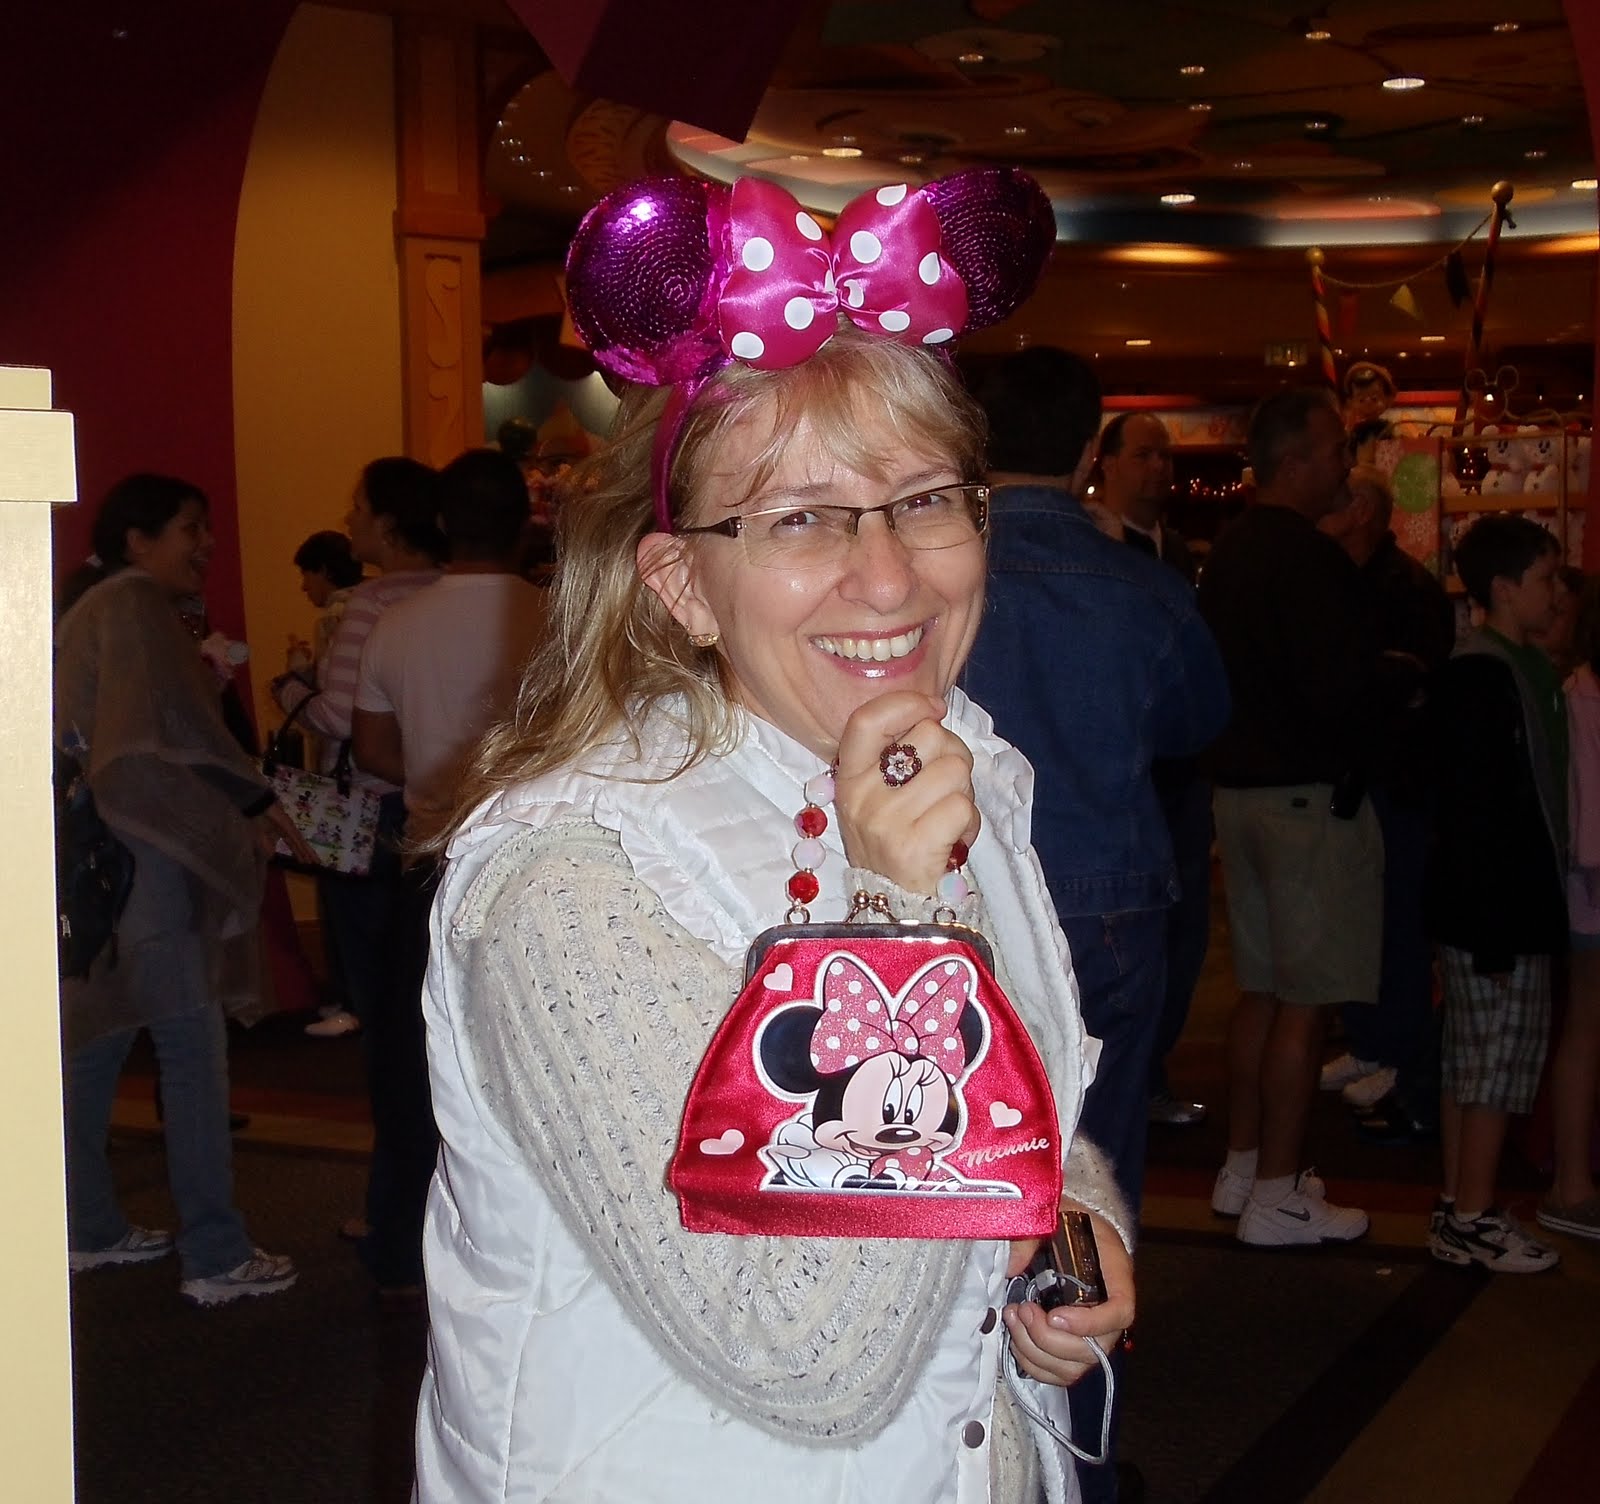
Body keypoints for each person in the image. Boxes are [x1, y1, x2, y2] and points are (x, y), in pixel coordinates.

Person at [413, 170, 1135, 1503]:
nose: (890, 575)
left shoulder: (959, 766)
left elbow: (1024, 1096)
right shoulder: (571, 880)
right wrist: (902, 930)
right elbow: (805, 1358)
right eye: (802, 519)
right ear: (683, 584)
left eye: (926, 499)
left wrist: (1067, 1218)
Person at [961, 353, 1225, 1504]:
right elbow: (1200, 719)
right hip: (1109, 899)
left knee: (956, 1156)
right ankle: (1081, 1454)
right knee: (1092, 1183)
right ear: (1086, 453)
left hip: (963, 895)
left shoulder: (932, 575)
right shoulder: (1139, 588)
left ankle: (977, 1431)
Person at [55, 473, 311, 1305]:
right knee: (191, 1051)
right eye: (189, 528)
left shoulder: (95, 604)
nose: (205, 544)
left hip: (103, 868)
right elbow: (159, 745)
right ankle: (214, 1253)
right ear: (139, 539)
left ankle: (87, 1224)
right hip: (147, 867)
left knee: (99, 1038)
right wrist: (243, 812)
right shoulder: (133, 605)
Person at [347, 448, 546, 1301]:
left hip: (432, 862)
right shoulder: (559, 616)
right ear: (524, 523)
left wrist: (445, 773)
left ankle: (400, 1246)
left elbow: (372, 751)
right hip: (540, 867)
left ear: (440, 523)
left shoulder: (396, 624)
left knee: (414, 1064)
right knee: (530, 1069)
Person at [1197, 386, 1381, 1247]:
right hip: (1307, 802)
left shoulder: (1231, 551)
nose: (1347, 462)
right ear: (1296, 460)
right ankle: (1276, 1190)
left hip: (1237, 796)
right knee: (1304, 1003)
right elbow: (1340, 689)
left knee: (1262, 991)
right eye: (1337, 447)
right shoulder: (1307, 558)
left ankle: (1242, 1167)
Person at [1425, 514, 1565, 1273]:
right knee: (1494, 1068)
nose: (1558, 593)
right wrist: (1494, 928)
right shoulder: (1484, 674)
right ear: (1505, 590)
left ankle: (1461, 1204)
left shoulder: (1513, 666)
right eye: (1546, 579)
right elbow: (1480, 811)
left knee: (1474, 1062)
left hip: (1492, 907)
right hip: (1497, 911)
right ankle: (1472, 1215)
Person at [272, 459, 444, 1041]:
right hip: (441, 796)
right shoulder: (450, 590)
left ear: (389, 525)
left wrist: (288, 690)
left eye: (360, 507)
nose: (350, 519)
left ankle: (383, 1063)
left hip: (370, 803)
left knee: (371, 958)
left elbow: (338, 715)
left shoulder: (370, 603)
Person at [1316, 466, 1456, 1140]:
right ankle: (1372, 1040)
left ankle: (1399, 1053)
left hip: (1397, 781)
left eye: (1340, 500)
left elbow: (1412, 684)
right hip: (1355, 777)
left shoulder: (1406, 586)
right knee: (1359, 918)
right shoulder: (1340, 578)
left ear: (1365, 510)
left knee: (1397, 920)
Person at [1096, 411, 1214, 1131]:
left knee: (1181, 940)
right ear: (1102, 460)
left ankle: (1150, 1072)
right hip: (1113, 792)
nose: (1159, 468)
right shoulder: (1099, 552)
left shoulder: (1181, 553)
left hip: (1176, 782)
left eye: (1165, 456)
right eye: (1144, 454)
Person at [1545, 574, 1600, 1242]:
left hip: (1588, 883)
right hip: (1592, 889)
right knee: (1585, 1026)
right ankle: (1572, 1182)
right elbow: (1587, 822)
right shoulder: (1582, 693)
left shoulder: (1578, 690)